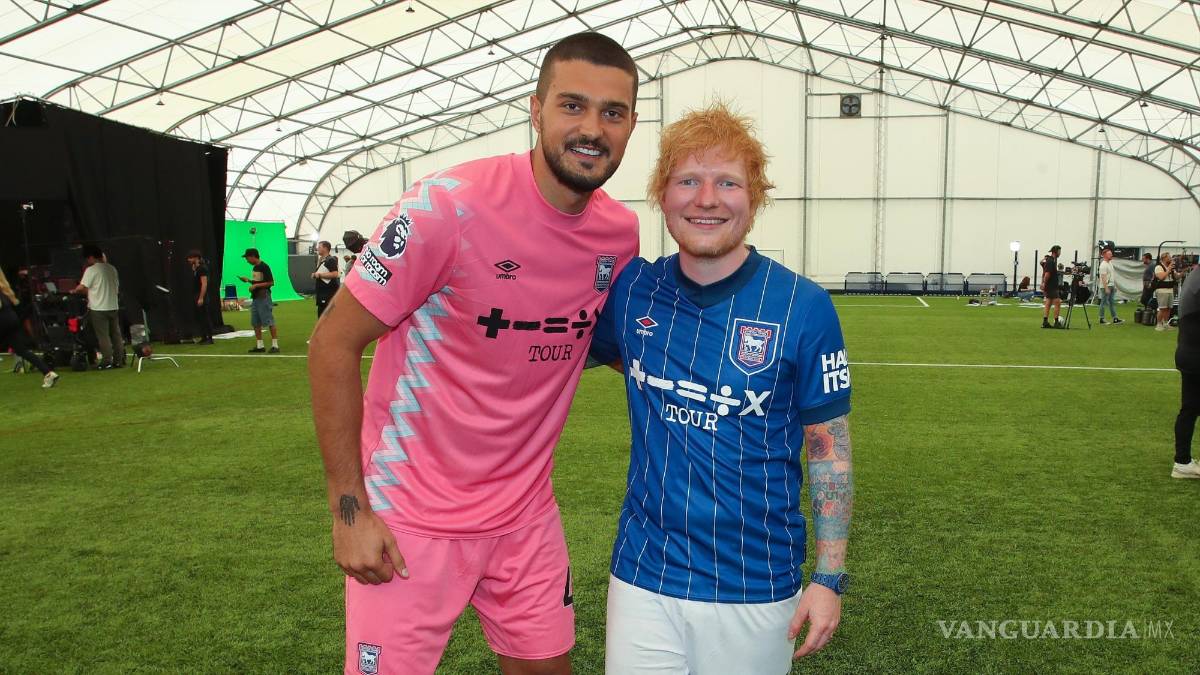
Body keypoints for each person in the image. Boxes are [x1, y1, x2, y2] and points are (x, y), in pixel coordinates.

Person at [307, 31, 640, 675]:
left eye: (613, 112)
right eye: (572, 105)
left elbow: (604, 342)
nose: (592, 129)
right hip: (411, 518)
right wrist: (349, 511)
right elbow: (332, 344)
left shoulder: (618, 234)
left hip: (526, 516)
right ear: (536, 109)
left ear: (630, 126)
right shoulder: (446, 206)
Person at [590, 103, 853, 674]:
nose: (706, 199)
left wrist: (829, 576)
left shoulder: (803, 305)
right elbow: (553, 351)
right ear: (662, 196)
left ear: (754, 199)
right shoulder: (634, 292)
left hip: (756, 582)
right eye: (688, 180)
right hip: (644, 575)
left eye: (728, 182)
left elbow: (828, 447)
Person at [0, 268, 58, 388]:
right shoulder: (4, 289)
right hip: (11, 318)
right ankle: (48, 373)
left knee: (21, 350)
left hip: (3, 321)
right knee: (22, 351)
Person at [72, 245, 124, 368]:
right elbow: (116, 288)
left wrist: (74, 290)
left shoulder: (91, 270)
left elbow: (82, 287)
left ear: (91, 257)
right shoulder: (112, 268)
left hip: (98, 308)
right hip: (113, 305)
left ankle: (107, 361)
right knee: (116, 334)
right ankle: (119, 360)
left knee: (103, 336)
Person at [1173, 259, 1200, 478]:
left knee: (1189, 409)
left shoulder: (1194, 277)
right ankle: (1182, 462)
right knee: (1190, 410)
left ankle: (1182, 462)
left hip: (1188, 353)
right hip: (1195, 354)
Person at [238, 248, 279, 353]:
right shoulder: (255, 267)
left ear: (253, 256)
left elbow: (271, 282)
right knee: (255, 322)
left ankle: (275, 345)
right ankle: (260, 346)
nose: (247, 260)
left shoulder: (264, 266)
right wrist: (248, 280)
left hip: (263, 296)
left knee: (269, 320)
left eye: (247, 258)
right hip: (255, 298)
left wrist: (255, 286)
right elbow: (257, 282)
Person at [186, 250, 214, 344]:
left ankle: (210, 338)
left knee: (205, 317)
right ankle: (203, 337)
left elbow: (204, 284)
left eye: (190, 258)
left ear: (196, 258)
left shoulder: (202, 268)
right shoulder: (196, 268)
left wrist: (201, 297)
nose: (189, 260)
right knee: (200, 318)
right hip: (195, 294)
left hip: (201, 295)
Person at [311, 240, 340, 318]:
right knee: (321, 316)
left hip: (327, 294)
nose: (317, 248)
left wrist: (319, 275)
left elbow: (335, 274)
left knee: (325, 317)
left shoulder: (331, 260)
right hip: (322, 293)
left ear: (325, 248)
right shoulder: (322, 260)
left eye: (319, 247)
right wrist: (315, 275)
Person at [1096, 246, 1123, 325]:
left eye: (1111, 254)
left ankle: (1115, 318)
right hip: (1105, 286)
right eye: (1109, 254)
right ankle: (1101, 319)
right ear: (1104, 255)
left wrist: (1113, 285)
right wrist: (1106, 288)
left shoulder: (1110, 263)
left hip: (1111, 285)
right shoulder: (1103, 265)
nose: (1111, 255)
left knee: (1112, 302)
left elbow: (1111, 275)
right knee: (1103, 303)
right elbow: (1103, 277)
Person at [1041, 245, 1063, 328]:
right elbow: (1047, 274)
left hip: (1049, 286)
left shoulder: (1050, 260)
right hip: (1051, 286)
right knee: (1057, 302)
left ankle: (1045, 322)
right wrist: (1044, 283)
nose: (1060, 253)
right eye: (1059, 251)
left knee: (1048, 302)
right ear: (1055, 251)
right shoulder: (1050, 261)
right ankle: (1056, 322)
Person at [1153, 251, 1176, 332]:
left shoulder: (1171, 267)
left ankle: (1166, 324)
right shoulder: (1158, 267)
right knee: (1162, 308)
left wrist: (1183, 271)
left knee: (1169, 308)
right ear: (1164, 258)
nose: (1170, 259)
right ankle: (1159, 324)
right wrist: (1169, 269)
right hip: (1162, 290)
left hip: (1170, 290)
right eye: (1169, 257)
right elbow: (1161, 277)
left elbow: (1176, 276)